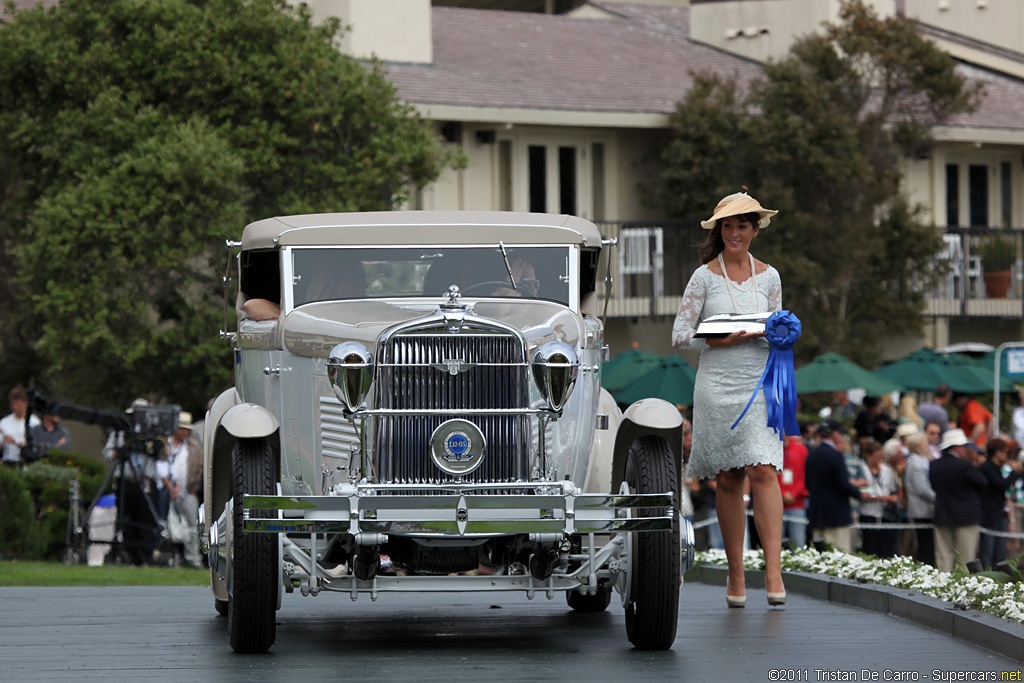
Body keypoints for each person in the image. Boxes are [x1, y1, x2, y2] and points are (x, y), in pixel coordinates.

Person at [671, 190, 786, 608]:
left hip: (758, 382)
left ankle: (773, 570)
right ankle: (736, 575)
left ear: (755, 230)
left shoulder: (771, 276)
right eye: (728, 225)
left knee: (764, 468)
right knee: (729, 477)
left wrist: (780, 334)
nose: (735, 232)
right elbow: (680, 335)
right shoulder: (703, 276)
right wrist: (718, 340)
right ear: (719, 230)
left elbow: (778, 328)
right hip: (717, 384)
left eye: (743, 225)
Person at [929, 428, 987, 572]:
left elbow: (934, 486)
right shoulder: (965, 466)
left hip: (942, 514)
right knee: (966, 557)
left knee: (943, 556)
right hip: (966, 515)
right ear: (957, 447)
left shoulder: (934, 465)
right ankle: (963, 588)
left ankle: (942, 586)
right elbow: (983, 483)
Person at [805, 420, 864, 554]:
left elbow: (808, 484)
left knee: (819, 555)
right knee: (839, 554)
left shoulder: (811, 455)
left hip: (817, 513)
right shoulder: (836, 455)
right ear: (836, 434)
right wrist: (859, 494)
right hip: (836, 515)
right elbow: (843, 485)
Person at [977, 437, 1022, 569]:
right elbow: (1001, 485)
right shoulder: (987, 468)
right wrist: (1014, 473)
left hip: (999, 513)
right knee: (987, 552)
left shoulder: (996, 468)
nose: (1006, 455)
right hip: (990, 515)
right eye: (1004, 451)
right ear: (996, 452)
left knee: (1000, 552)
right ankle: (987, 578)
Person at [858, 440, 900, 558]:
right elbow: (863, 491)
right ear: (868, 455)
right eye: (876, 457)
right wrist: (879, 497)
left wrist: (893, 498)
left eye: (881, 457)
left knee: (886, 548)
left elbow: (893, 489)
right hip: (868, 512)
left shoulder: (886, 469)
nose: (879, 460)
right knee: (870, 546)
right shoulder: (861, 469)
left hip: (885, 514)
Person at [904, 432, 937, 566]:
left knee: (927, 542)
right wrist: (938, 499)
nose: (927, 446)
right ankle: (924, 567)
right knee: (925, 543)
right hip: (921, 509)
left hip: (924, 508)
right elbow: (922, 488)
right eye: (925, 443)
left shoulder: (920, 461)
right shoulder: (916, 464)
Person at [779, 424, 809, 549]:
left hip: (797, 503)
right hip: (777, 504)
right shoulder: (772, 449)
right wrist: (782, 494)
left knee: (798, 543)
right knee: (775, 544)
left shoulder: (801, 449)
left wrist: (794, 493)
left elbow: (805, 475)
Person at [1, 386, 42, 466]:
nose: (15, 407)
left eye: (18, 405)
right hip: (8, 462)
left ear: (25, 403)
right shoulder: (4, 422)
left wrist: (15, 442)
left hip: (27, 463)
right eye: (13, 404)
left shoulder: (34, 423)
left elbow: (38, 446)